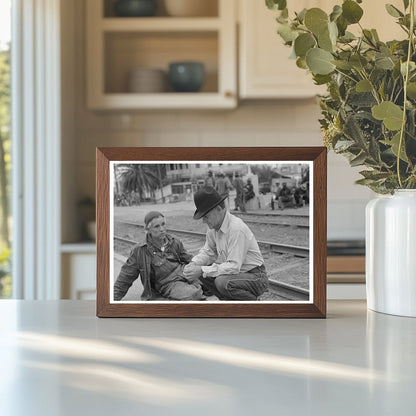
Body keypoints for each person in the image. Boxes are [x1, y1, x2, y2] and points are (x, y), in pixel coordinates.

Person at [183, 187, 269, 300]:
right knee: (202, 273)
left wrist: (202, 270)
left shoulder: (236, 228)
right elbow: (208, 252)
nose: (204, 221)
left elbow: (234, 266)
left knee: (221, 282)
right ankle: (228, 301)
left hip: (256, 276)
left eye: (206, 216)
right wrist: (194, 264)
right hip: (237, 275)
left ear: (219, 209)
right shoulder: (213, 228)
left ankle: (253, 305)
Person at [113, 211, 204, 301]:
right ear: (148, 230)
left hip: (185, 274)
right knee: (193, 294)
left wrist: (200, 266)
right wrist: (112, 299)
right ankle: (195, 289)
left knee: (211, 276)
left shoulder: (174, 241)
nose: (162, 229)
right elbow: (126, 276)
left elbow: (188, 258)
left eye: (163, 224)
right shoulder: (140, 250)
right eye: (157, 226)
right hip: (169, 283)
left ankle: (196, 287)